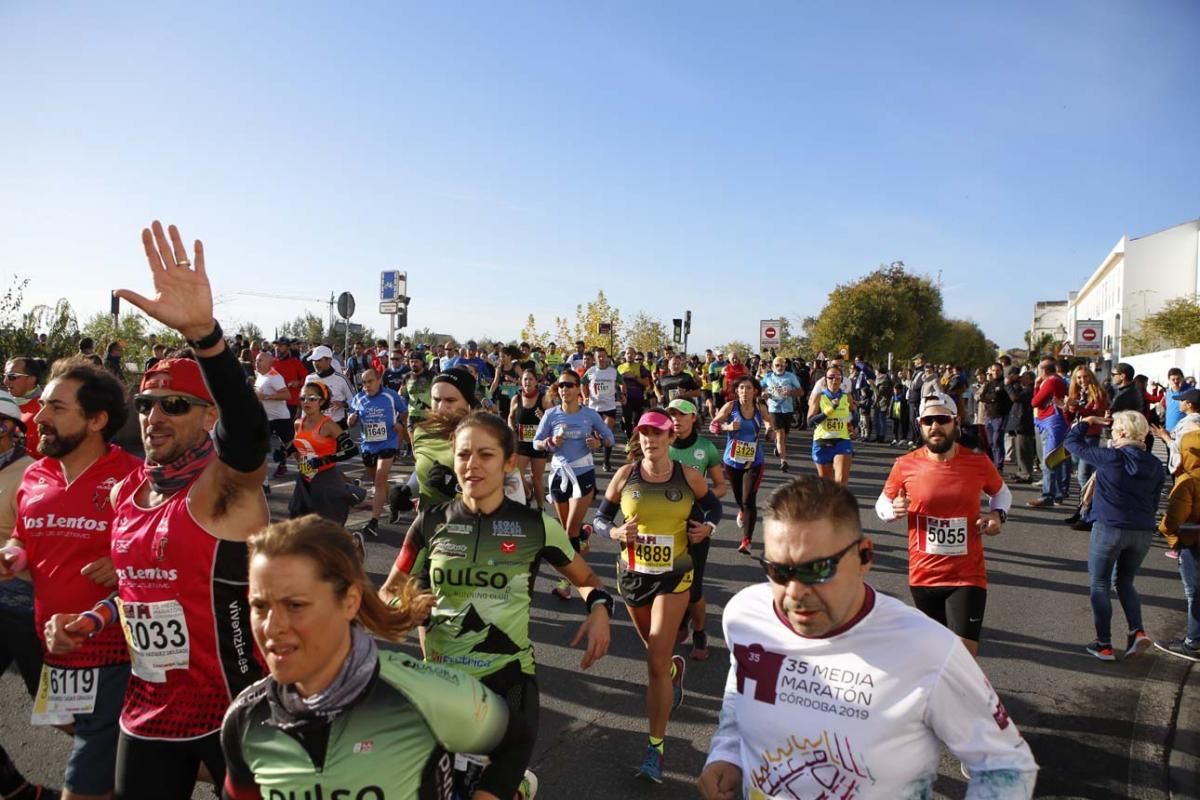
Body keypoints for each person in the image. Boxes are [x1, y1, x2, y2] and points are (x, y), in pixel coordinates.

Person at [45, 221, 271, 799]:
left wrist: (207, 338)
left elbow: (248, 435)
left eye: (175, 404)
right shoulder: (129, 493)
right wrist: (90, 622)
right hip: (150, 712)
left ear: (206, 417)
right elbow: (139, 591)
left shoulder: (224, 490)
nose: (155, 417)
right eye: (147, 404)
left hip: (238, 709)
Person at [696, 476, 1038, 800]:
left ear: (865, 556)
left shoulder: (928, 649)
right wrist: (727, 753)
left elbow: (1006, 764)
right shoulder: (746, 615)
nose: (796, 592)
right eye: (779, 571)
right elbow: (741, 687)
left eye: (818, 569)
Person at [384, 411, 612, 800]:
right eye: (463, 454)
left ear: (508, 462)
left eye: (485, 455)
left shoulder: (535, 525)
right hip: (440, 684)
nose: (472, 465)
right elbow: (389, 589)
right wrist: (402, 606)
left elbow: (588, 581)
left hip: (508, 682)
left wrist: (599, 611)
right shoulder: (430, 521)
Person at [220, 514, 511, 799]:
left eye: (295, 605)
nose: (272, 626)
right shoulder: (245, 719)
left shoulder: (422, 696)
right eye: (259, 606)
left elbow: (514, 740)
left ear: (349, 601)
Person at [6, 359, 140, 800]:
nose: (39, 416)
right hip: (57, 652)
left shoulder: (134, 479)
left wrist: (124, 563)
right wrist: (12, 554)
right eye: (42, 404)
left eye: (56, 408)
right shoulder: (35, 475)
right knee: (90, 738)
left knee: (83, 782)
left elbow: (171, 553)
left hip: (117, 655)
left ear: (97, 420)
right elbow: (24, 538)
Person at [593, 409, 723, 782]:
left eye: (658, 434)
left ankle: (655, 749)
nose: (651, 440)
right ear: (640, 439)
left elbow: (713, 503)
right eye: (645, 435)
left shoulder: (687, 476)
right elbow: (601, 519)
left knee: (653, 662)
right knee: (656, 656)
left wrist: (708, 526)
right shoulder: (625, 475)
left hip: (675, 576)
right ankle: (672, 670)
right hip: (634, 578)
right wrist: (614, 534)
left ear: (670, 438)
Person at [874, 393, 1012, 657]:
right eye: (928, 420)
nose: (935, 426)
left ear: (955, 422)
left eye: (942, 420)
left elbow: (1002, 493)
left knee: (962, 655)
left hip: (967, 574)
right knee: (934, 655)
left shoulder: (977, 462)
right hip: (923, 574)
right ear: (920, 424)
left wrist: (997, 516)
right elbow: (883, 504)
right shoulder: (905, 465)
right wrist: (893, 510)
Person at [1066, 410, 1164, 661]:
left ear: (1120, 433)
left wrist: (1086, 423)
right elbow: (1154, 501)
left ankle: (1104, 644)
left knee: (1100, 584)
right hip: (1141, 531)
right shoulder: (1154, 465)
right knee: (1125, 582)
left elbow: (1071, 443)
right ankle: (1136, 630)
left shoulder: (1110, 457)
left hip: (1110, 526)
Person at [0, 389, 57, 800]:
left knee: (69, 716)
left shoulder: (31, 475)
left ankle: (221, 765)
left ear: (11, 431)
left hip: (26, 607)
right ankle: (15, 789)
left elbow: (44, 544)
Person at [532, 369, 615, 599]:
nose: (564, 389)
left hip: (583, 474)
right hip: (559, 476)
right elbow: (536, 443)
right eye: (561, 386)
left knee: (568, 531)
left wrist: (598, 442)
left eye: (569, 385)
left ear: (579, 388)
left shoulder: (590, 415)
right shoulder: (550, 415)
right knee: (569, 530)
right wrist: (548, 442)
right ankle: (582, 538)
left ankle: (566, 583)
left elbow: (610, 438)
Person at [666, 398, 727, 660]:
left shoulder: (706, 448)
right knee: (669, 581)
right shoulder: (661, 444)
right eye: (672, 415)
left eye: (682, 414)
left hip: (695, 525)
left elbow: (721, 486)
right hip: (665, 523)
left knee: (694, 587)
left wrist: (705, 504)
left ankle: (699, 631)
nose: (676, 420)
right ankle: (680, 621)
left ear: (693, 418)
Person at [287, 381, 363, 527]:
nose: (306, 402)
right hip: (305, 477)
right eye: (303, 398)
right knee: (297, 520)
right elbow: (299, 444)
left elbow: (352, 449)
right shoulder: (298, 423)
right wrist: (287, 451)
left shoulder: (328, 425)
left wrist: (327, 459)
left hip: (325, 479)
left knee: (327, 525)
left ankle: (351, 544)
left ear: (321, 402)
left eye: (312, 398)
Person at [1155, 428, 1200, 661]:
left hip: (1192, 544)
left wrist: (1169, 535)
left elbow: (1172, 521)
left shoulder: (1188, 481)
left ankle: (1193, 642)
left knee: (1194, 593)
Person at [347, 368, 408, 538]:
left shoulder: (390, 395)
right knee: (378, 481)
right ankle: (394, 503)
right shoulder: (359, 398)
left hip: (388, 443)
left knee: (380, 480)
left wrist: (400, 425)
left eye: (370, 381)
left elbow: (404, 411)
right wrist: (351, 420)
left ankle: (373, 522)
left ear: (379, 380)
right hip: (368, 446)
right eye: (364, 383)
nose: (367, 385)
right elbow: (352, 417)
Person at [712, 376, 768, 555]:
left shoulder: (760, 407)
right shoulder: (731, 406)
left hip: (754, 460)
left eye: (749, 388)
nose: (745, 391)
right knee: (739, 497)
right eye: (741, 388)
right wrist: (727, 427)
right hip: (732, 460)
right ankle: (742, 510)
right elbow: (714, 425)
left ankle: (746, 541)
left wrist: (769, 429)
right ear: (737, 391)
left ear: (755, 391)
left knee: (748, 499)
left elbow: (769, 422)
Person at [1026, 357, 1069, 507]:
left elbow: (1035, 402)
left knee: (1050, 460)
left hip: (1052, 422)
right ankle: (1058, 493)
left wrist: (1037, 386)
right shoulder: (1058, 380)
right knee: (1056, 459)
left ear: (1043, 370)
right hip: (1057, 423)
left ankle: (1048, 495)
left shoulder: (1051, 381)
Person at [509, 369, 552, 512]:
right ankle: (528, 494)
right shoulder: (516, 398)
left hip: (538, 443)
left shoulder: (544, 398)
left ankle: (541, 508)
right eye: (525, 379)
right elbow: (510, 416)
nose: (527, 382)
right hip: (521, 442)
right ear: (521, 381)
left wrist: (543, 418)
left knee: (537, 478)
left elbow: (553, 420)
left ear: (536, 381)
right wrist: (511, 429)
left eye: (530, 379)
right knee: (517, 473)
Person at [807, 364, 855, 486]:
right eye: (831, 377)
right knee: (826, 485)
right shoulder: (819, 397)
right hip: (822, 441)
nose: (834, 380)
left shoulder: (846, 396)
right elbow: (810, 421)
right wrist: (829, 410)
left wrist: (852, 426)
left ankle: (839, 505)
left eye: (838, 377)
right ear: (825, 379)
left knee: (841, 482)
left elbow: (853, 411)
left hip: (842, 440)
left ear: (842, 380)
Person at [253, 351, 292, 482]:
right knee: (259, 448)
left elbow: (287, 395)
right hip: (265, 419)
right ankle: (263, 481)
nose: (257, 363)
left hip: (280, 418)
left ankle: (309, 472)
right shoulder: (260, 375)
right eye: (256, 360)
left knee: (292, 447)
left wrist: (266, 397)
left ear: (270, 363)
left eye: (260, 361)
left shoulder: (275, 377)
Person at [582, 347, 622, 472]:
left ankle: (606, 461)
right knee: (593, 433)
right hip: (594, 407)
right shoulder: (591, 371)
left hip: (609, 407)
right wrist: (585, 396)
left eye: (603, 356)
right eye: (598, 356)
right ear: (594, 358)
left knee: (607, 432)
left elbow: (622, 383)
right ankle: (590, 455)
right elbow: (582, 383)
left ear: (607, 357)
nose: (601, 358)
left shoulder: (613, 372)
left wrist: (623, 395)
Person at [760, 357, 802, 472]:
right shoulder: (768, 377)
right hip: (774, 409)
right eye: (777, 365)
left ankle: (778, 448)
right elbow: (759, 388)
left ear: (785, 366)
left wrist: (791, 392)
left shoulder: (790, 376)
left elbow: (801, 391)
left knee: (784, 436)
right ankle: (783, 461)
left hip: (788, 410)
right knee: (780, 435)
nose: (780, 367)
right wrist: (763, 393)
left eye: (782, 365)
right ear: (773, 367)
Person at [4, 356, 47, 458]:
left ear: (31, 379)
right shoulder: (5, 405)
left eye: (12, 376)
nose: (5, 381)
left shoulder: (45, 410)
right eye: (5, 376)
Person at [618, 345, 653, 438]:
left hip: (638, 397)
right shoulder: (619, 368)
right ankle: (630, 441)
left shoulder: (640, 367)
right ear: (624, 356)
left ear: (634, 355)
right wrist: (622, 378)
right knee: (628, 420)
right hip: (626, 398)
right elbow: (614, 383)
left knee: (637, 421)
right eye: (627, 353)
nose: (629, 355)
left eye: (632, 353)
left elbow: (646, 382)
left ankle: (637, 439)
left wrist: (635, 377)